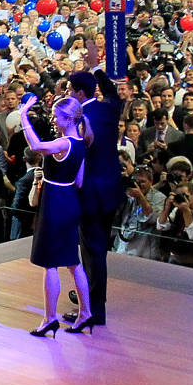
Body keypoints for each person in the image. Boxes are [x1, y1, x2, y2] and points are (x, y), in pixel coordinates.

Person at [19, 96, 95, 337]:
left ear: (68, 118)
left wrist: (24, 116)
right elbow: (80, 181)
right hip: (70, 201)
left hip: (54, 204)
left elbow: (36, 147)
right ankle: (86, 314)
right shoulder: (81, 142)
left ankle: (50, 319)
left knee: (50, 263)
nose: (52, 119)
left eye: (55, 115)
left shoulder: (64, 143)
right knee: (73, 262)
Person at [67, 49, 123, 327]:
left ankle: (93, 310)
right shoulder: (110, 109)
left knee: (93, 251)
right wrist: (96, 67)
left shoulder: (76, 120)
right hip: (111, 190)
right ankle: (89, 298)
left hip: (88, 193)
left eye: (69, 90)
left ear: (78, 94)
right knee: (97, 249)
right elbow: (113, 93)